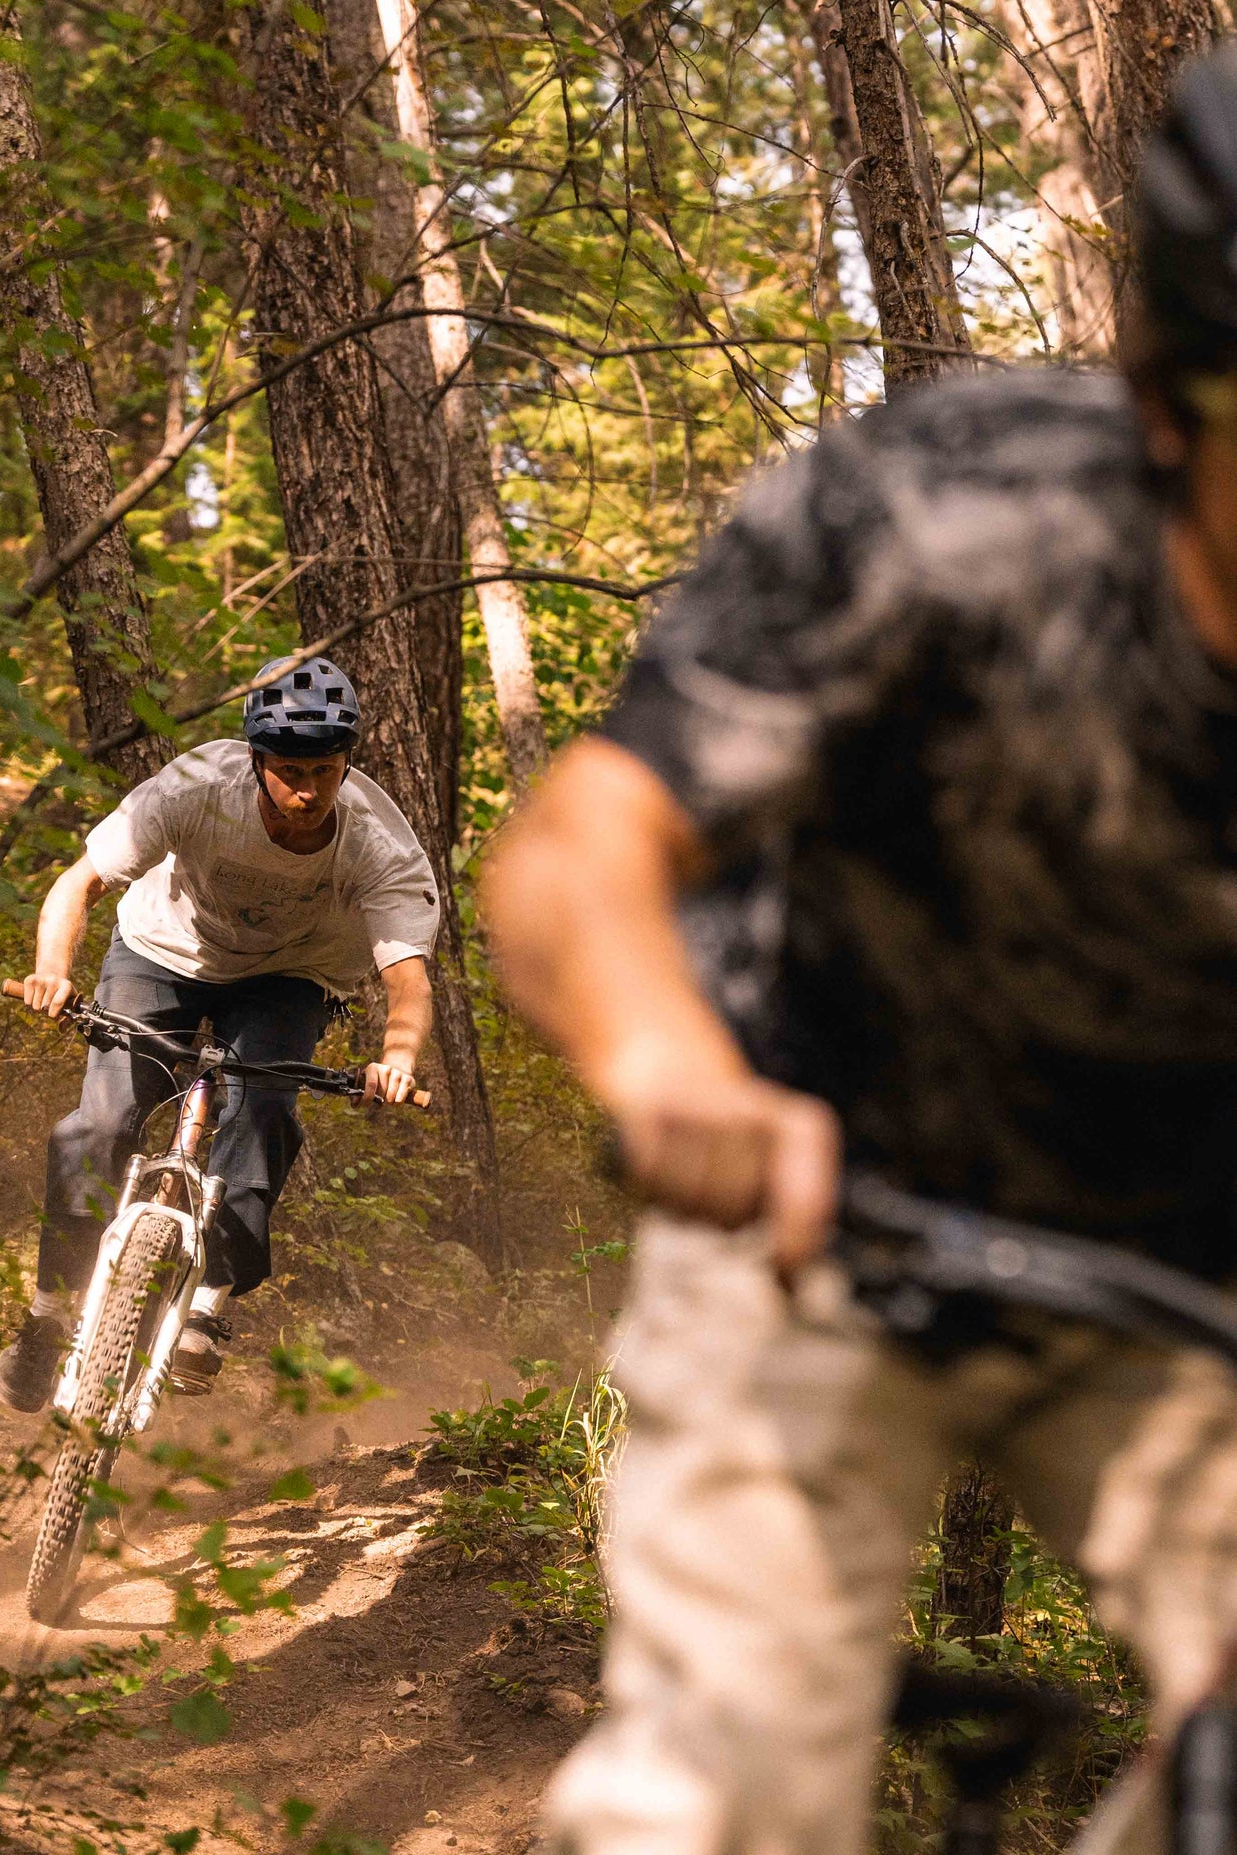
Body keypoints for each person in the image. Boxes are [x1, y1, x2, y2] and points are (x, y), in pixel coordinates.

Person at [483, 46, 1237, 1855]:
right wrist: (664, 1058)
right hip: (819, 1213)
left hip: (1187, 1279)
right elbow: (585, 845)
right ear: (1163, 409)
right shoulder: (948, 520)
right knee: (712, 1801)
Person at [0, 656, 437, 1413]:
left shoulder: (377, 843)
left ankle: (209, 1304)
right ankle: (45, 1318)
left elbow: (408, 980)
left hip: (291, 977)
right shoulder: (196, 789)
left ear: (347, 763)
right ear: (256, 760)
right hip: (161, 950)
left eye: (325, 771)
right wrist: (51, 972)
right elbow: (80, 883)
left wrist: (396, 1059)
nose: (307, 790)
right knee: (99, 1123)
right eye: (290, 770)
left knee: (262, 1113)